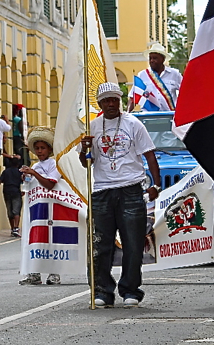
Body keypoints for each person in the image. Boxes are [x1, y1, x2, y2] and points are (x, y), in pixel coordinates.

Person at [80, 82, 162, 308]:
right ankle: (103, 291)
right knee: (100, 244)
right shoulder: (93, 127)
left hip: (131, 189)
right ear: (100, 104)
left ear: (119, 101)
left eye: (114, 100)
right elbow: (86, 163)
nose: (110, 104)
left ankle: (130, 290)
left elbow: (150, 155)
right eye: (106, 101)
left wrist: (156, 184)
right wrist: (84, 148)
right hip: (102, 191)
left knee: (133, 243)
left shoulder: (133, 124)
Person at [17, 126, 61, 286]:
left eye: (43, 148)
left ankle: (54, 272)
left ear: (49, 149)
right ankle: (34, 273)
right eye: (37, 148)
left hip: (51, 208)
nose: (40, 151)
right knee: (35, 239)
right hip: (36, 208)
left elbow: (50, 184)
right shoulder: (35, 166)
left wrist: (34, 174)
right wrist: (27, 177)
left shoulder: (55, 164)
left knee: (51, 239)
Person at [127, 42, 182, 112]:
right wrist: (127, 113)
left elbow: (186, 93)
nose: (152, 61)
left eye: (155, 58)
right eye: (150, 58)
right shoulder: (142, 75)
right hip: (149, 116)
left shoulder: (174, 74)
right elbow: (133, 97)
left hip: (170, 115)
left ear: (163, 59)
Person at [0, 157, 23, 237]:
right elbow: (24, 181)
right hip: (16, 191)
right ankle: (16, 228)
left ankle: (12, 228)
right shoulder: (19, 172)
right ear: (18, 164)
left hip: (6, 191)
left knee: (9, 210)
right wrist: (24, 191)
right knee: (16, 210)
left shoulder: (6, 172)